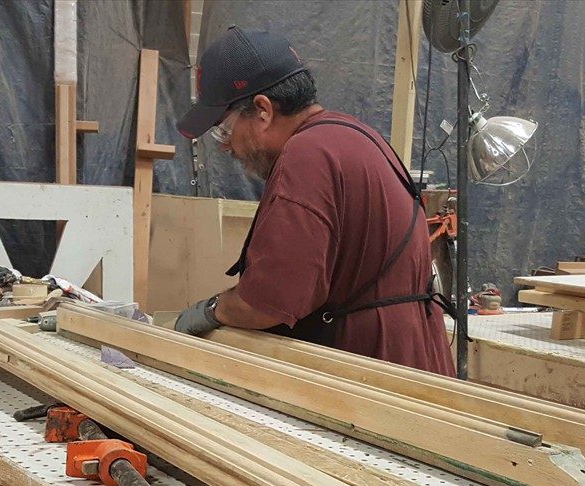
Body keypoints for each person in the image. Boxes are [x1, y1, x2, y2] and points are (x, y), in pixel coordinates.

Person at [174, 27, 456, 377]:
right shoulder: (353, 135)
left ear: (262, 111)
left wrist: (211, 310)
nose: (224, 146)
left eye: (223, 130)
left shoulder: (306, 155)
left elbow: (268, 303)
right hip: (408, 355)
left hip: (373, 371)